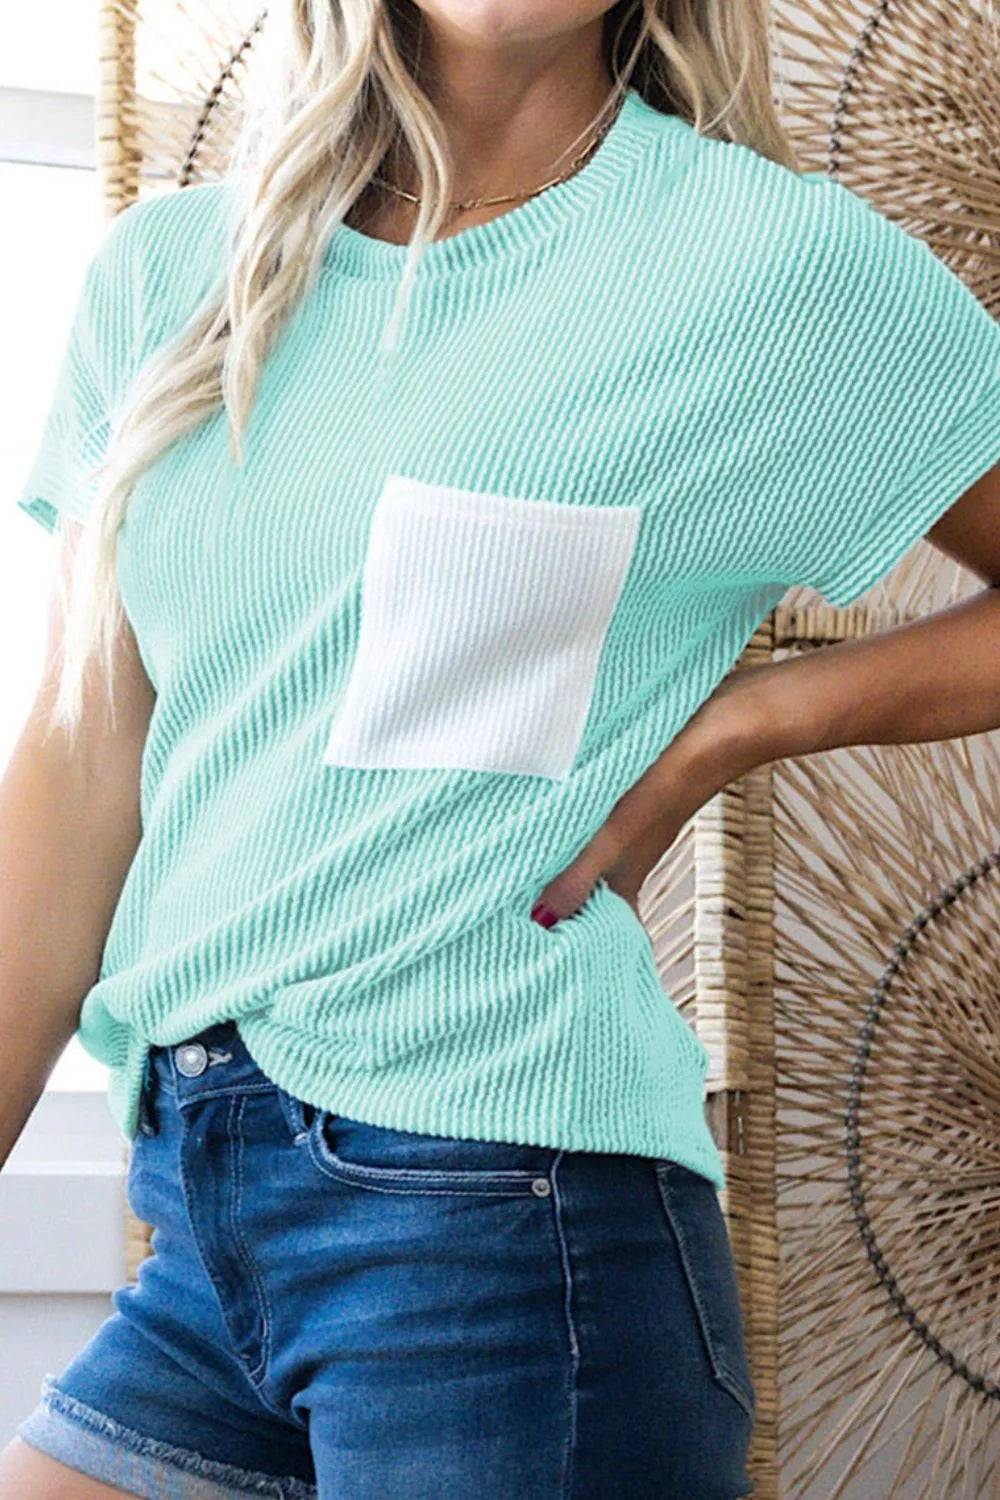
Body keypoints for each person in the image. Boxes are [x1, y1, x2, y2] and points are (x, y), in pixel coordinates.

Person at [2, 0, 1000, 1495]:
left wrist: (746, 724)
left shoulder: (766, 268)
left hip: (508, 1229)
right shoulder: (170, 278)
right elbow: (78, 773)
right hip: (206, 1211)